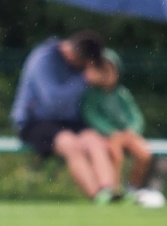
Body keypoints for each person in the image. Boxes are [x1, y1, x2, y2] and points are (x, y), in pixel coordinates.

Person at [11, 31, 120, 203]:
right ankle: (98, 197)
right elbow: (53, 102)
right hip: (35, 121)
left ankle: (110, 192)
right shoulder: (43, 59)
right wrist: (84, 80)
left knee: (95, 140)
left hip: (67, 121)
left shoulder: (81, 64)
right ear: (76, 56)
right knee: (70, 143)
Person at [83, 49, 163, 207]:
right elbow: (92, 117)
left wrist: (132, 130)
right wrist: (110, 132)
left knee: (144, 154)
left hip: (128, 134)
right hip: (109, 136)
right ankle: (114, 190)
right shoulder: (91, 95)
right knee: (116, 155)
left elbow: (135, 115)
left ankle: (132, 188)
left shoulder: (122, 94)